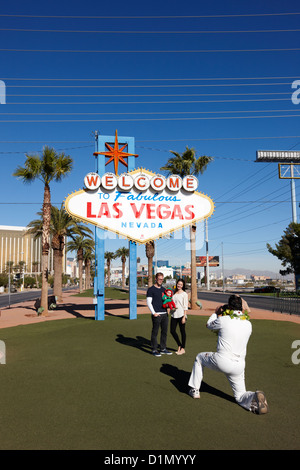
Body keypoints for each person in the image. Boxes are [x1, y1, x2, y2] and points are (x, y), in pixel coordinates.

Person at [188, 294, 269, 415]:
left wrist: (216, 313)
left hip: (223, 360)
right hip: (239, 365)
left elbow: (209, 325)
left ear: (230, 307)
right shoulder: (248, 324)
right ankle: (253, 396)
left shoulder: (224, 320)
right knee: (240, 396)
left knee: (199, 358)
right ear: (241, 307)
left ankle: (194, 390)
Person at [147, 272, 173, 357]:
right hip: (156, 315)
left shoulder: (164, 290)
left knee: (164, 332)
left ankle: (163, 348)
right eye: (159, 279)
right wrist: (154, 313)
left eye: (162, 279)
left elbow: (167, 301)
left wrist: (168, 311)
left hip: (165, 314)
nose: (161, 281)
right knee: (155, 332)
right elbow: (149, 302)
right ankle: (154, 349)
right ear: (156, 279)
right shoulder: (151, 290)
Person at [170, 279, 189, 355]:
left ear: (183, 285)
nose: (179, 285)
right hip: (174, 314)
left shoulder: (184, 294)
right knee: (172, 331)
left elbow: (185, 306)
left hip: (181, 315)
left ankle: (183, 348)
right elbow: (172, 303)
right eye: (178, 284)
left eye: (181, 284)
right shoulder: (174, 293)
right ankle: (179, 345)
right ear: (176, 284)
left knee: (182, 332)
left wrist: (184, 317)